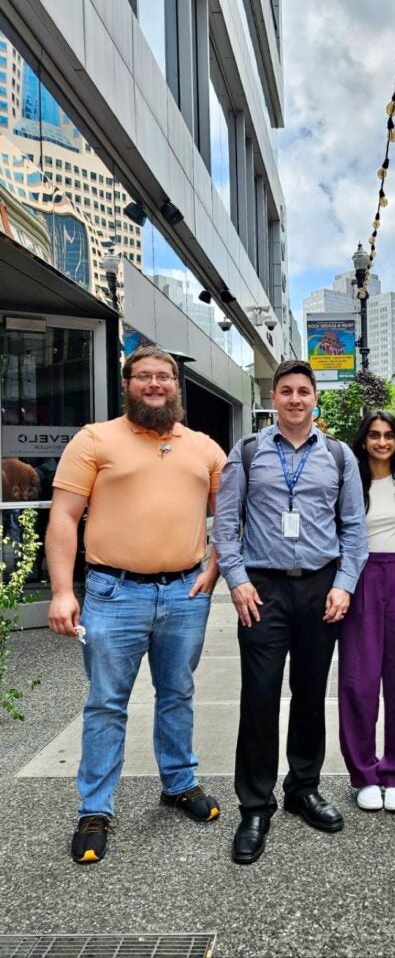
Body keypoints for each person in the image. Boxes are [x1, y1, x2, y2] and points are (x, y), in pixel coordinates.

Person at [46, 345, 226, 864]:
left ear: (177, 386)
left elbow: (231, 518)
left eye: (163, 377)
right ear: (127, 384)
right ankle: (95, 808)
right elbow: (63, 518)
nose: (154, 385)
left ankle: (179, 783)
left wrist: (212, 571)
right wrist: (62, 591)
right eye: (144, 377)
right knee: (106, 702)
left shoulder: (204, 448)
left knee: (177, 693)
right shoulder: (94, 439)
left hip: (185, 592)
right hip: (112, 592)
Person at [211, 359, 367, 865]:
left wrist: (344, 585)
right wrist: (236, 580)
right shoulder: (249, 451)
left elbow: (354, 530)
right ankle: (256, 804)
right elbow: (225, 522)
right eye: (286, 391)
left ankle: (303, 787)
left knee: (308, 692)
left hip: (321, 589)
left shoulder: (340, 456)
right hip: (264, 588)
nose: (296, 399)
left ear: (315, 397)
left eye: (304, 391)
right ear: (273, 397)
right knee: (258, 695)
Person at [338, 411, 395, 813]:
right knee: (359, 678)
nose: (382, 442)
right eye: (374, 435)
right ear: (364, 440)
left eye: (388, 435)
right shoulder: (351, 479)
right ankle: (364, 772)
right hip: (360, 574)